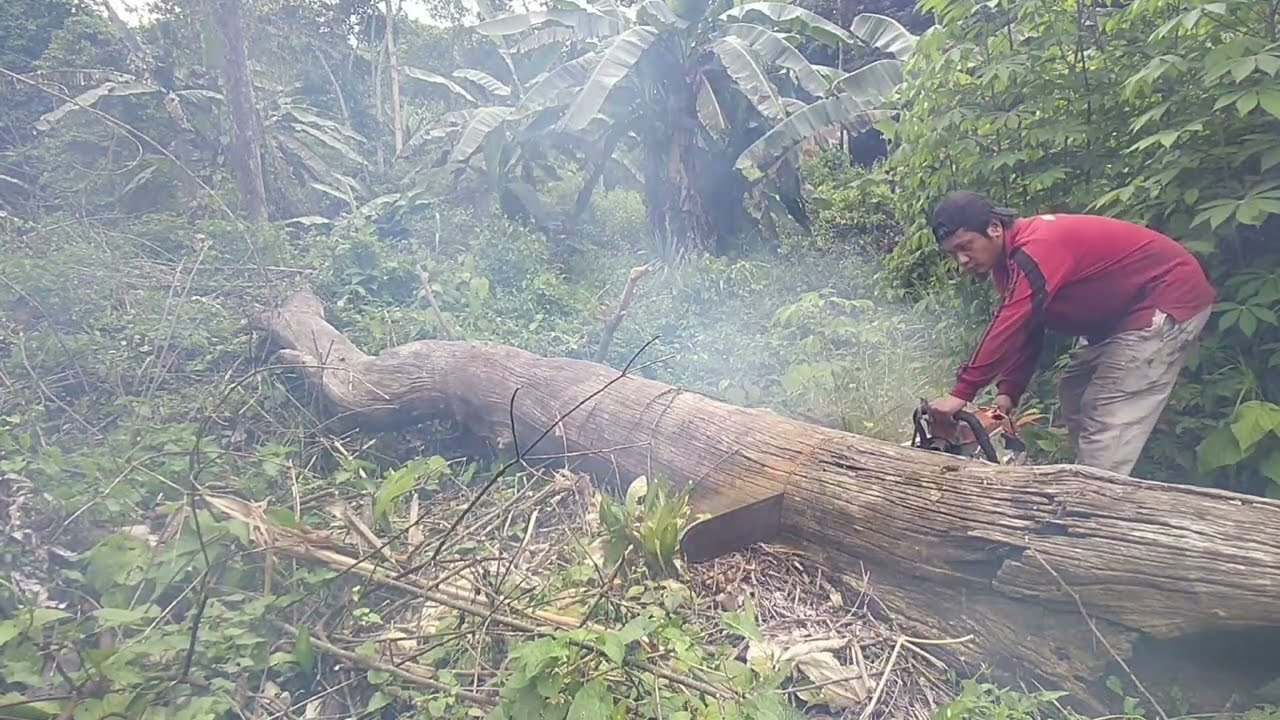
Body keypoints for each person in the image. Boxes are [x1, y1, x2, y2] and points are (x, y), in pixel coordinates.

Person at [924, 191, 1216, 476]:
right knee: (1075, 393)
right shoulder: (1008, 268)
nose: (962, 261)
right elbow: (1027, 329)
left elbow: (1010, 321)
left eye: (966, 246)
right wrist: (1007, 395)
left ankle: (1094, 503)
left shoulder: (1037, 246)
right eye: (953, 254)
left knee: (1107, 410)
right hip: (1118, 322)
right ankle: (1092, 476)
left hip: (1164, 300)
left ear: (994, 228)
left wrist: (960, 394)